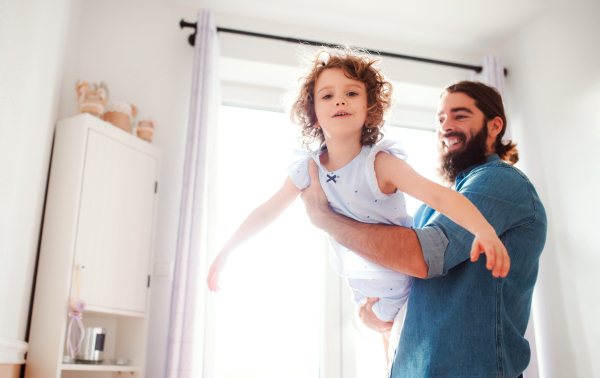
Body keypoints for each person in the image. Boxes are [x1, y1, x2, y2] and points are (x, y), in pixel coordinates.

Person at [207, 49, 510, 368]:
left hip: (409, 295)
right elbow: (267, 211)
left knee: (409, 364)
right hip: (366, 295)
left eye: (351, 93)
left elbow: (441, 197)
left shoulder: (380, 163)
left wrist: (483, 229)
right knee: (390, 364)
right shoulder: (307, 169)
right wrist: (227, 251)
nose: (340, 101)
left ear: (370, 109)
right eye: (328, 95)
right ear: (313, 113)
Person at [300, 80, 547, 377]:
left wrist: (325, 219)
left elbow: (422, 256)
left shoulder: (499, 181)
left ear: (495, 126)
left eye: (460, 115)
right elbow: (402, 284)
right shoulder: (432, 209)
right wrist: (380, 316)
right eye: (440, 119)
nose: (446, 126)